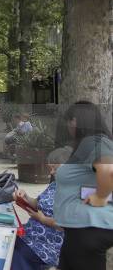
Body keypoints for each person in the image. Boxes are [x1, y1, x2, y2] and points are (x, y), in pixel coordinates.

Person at [53, 101, 113, 270]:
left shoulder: (94, 142)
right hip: (80, 228)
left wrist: (100, 198)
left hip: (89, 229)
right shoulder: (89, 144)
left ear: (77, 121)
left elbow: (108, 169)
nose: (68, 125)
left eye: (69, 120)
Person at [11, 147, 72, 270]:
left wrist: (42, 219)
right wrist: (25, 197)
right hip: (30, 234)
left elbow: (67, 224)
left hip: (46, 244)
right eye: (50, 169)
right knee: (6, 241)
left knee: (17, 254)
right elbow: (38, 203)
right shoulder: (54, 185)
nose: (51, 173)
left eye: (55, 169)